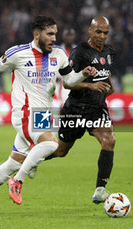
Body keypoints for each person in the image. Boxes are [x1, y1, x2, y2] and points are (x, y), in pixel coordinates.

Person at [0, 15, 96, 216]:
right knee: (51, 144)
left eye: (55, 33)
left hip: (42, 114)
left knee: (14, 161)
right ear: (37, 34)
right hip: (25, 112)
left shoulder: (59, 54)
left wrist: (83, 74)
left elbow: (69, 80)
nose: (54, 38)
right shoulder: (18, 53)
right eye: (49, 34)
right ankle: (18, 181)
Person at [43, 16, 116, 204]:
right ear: (89, 31)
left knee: (109, 141)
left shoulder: (109, 52)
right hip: (75, 109)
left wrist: (110, 86)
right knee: (60, 151)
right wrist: (91, 87)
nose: (102, 36)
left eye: (105, 33)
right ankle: (31, 160)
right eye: (98, 31)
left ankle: (100, 189)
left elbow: (105, 72)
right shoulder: (79, 53)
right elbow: (68, 84)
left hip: (97, 109)